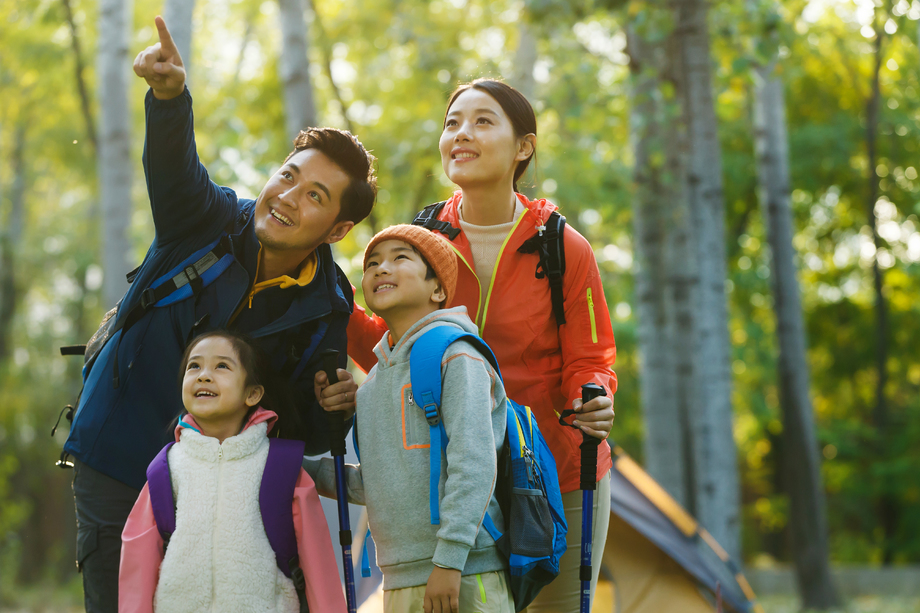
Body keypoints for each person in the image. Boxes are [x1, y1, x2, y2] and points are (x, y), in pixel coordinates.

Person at [63, 16, 368, 612]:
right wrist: (169, 97)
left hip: (223, 492)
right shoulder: (207, 220)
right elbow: (175, 170)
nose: (286, 196)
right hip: (119, 455)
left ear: (338, 229)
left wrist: (338, 411)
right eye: (289, 175)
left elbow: (303, 425)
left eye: (314, 196)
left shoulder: (326, 304)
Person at [345, 79, 617, 611]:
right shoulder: (424, 236)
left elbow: (590, 357)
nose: (461, 134)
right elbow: (396, 349)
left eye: (483, 121)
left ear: (524, 146)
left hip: (555, 475)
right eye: (452, 123)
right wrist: (333, 306)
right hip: (450, 483)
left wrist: (594, 394)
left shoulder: (562, 247)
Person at [307, 224, 515, 613]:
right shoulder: (371, 387)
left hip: (464, 572)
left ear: (438, 290)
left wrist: (449, 561)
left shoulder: (456, 355)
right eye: (372, 263)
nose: (381, 268)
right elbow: (376, 485)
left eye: (400, 258)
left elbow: (474, 463)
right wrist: (294, 468)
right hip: (398, 577)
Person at [118, 330, 346, 612]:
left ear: (252, 394)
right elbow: (138, 565)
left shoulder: (281, 467)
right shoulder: (165, 470)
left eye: (221, 366)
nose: (203, 375)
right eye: (194, 366)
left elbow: (317, 561)